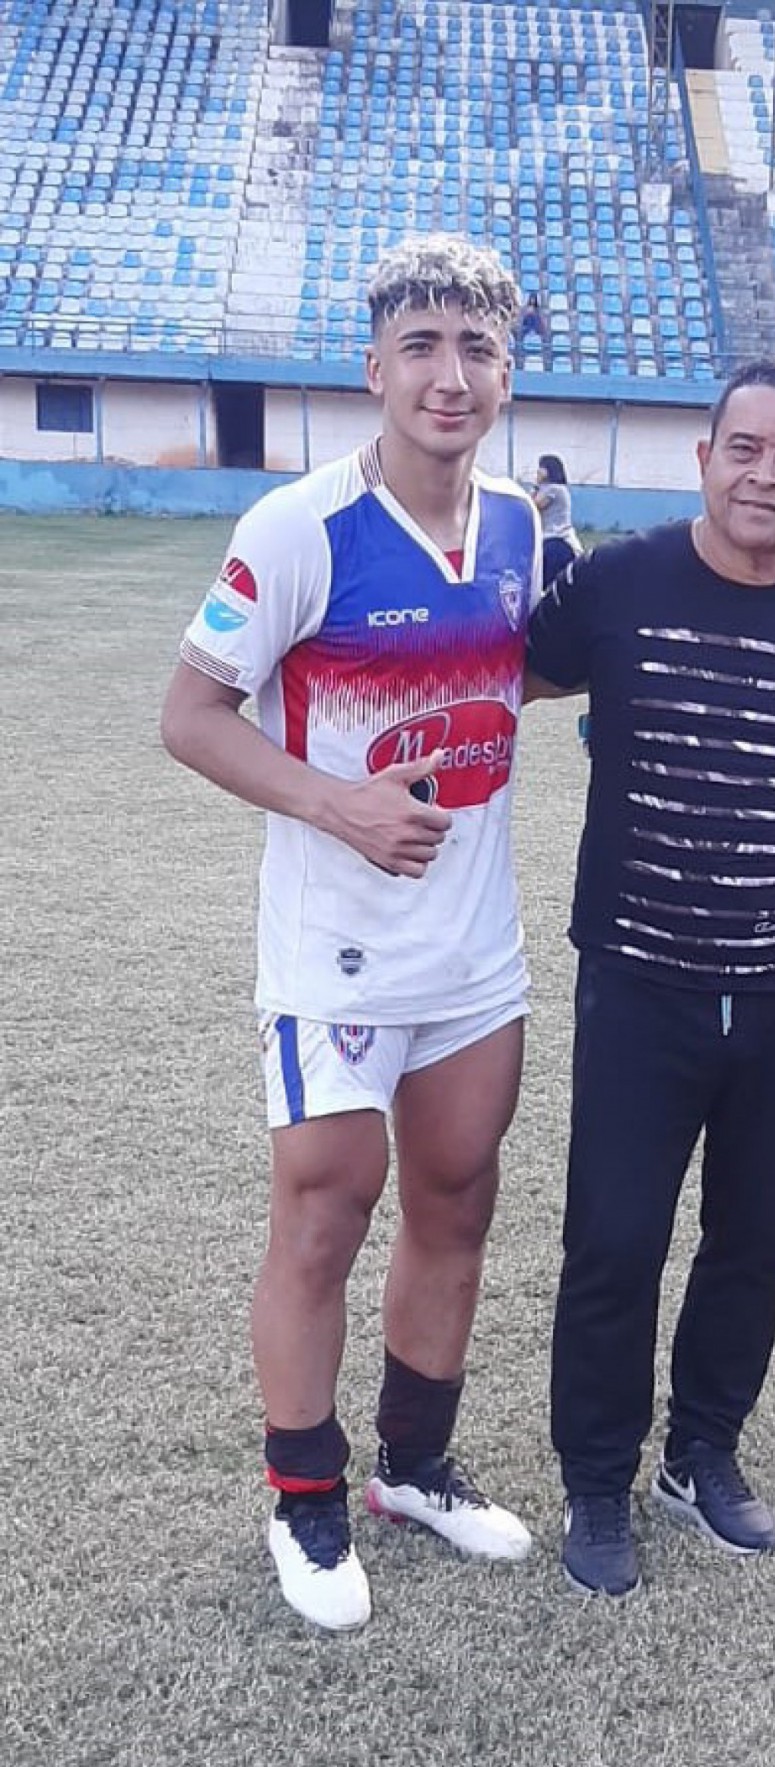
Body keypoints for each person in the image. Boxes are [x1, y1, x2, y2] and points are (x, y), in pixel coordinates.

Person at [160, 234, 542, 1631]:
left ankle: (416, 1470)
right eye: (424, 347)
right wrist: (342, 808)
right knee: (324, 1217)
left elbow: (502, 672)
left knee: (456, 1202)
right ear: (373, 366)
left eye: (478, 350)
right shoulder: (294, 529)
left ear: (508, 373)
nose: (451, 376)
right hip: (333, 954)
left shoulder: (517, 523)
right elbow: (188, 715)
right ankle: (306, 1504)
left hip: (474, 954)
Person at [525, 358, 775, 1596]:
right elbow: (501, 679)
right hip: (637, 981)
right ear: (704, 456)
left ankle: (701, 1455)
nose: (764, 476)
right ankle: (595, 1481)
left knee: (758, 1238)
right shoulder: (616, 583)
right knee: (614, 1242)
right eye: (745, 448)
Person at [531, 453, 583, 588]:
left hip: (557, 538)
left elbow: (534, 505)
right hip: (547, 538)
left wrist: (536, 484)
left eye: (541, 467)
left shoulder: (555, 489)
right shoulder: (547, 488)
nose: (538, 471)